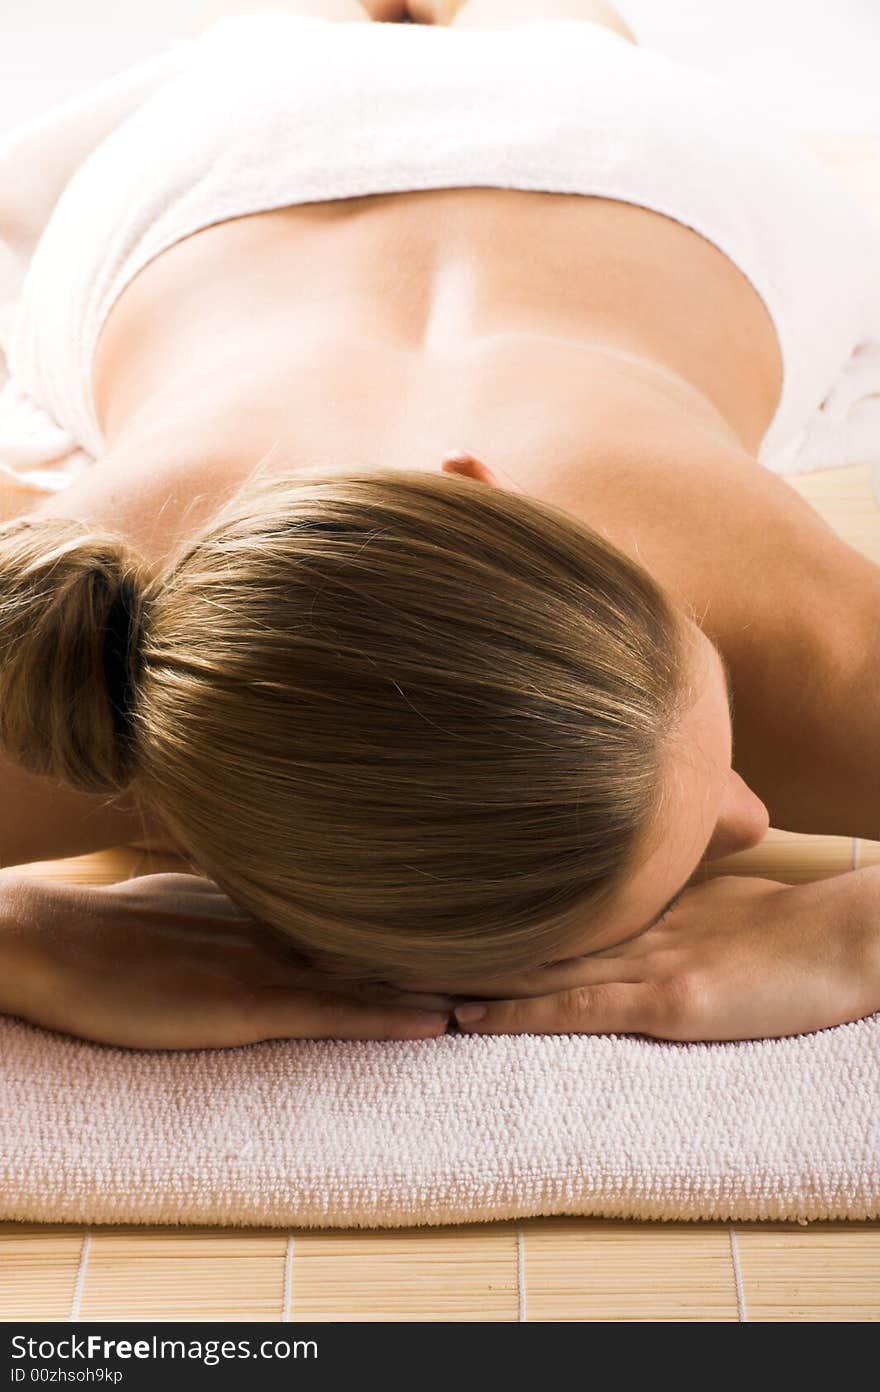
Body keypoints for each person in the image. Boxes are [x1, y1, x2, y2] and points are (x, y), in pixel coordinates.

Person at [1, 0, 879, 1051]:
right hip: (318, 143)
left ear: (485, 495)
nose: (752, 819)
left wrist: (855, 940)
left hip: (310, 157)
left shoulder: (810, 651)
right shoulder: (95, 684)